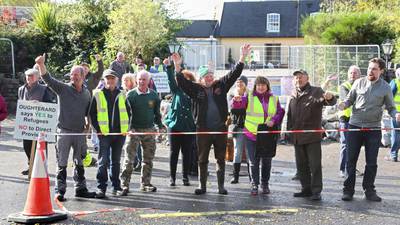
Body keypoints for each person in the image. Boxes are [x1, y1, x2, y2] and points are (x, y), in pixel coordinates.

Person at [176, 44, 251, 195]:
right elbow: (182, 82)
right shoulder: (195, 89)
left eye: (210, 75)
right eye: (206, 76)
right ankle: (202, 186)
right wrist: (177, 65)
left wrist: (242, 57)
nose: (209, 78)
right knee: (202, 159)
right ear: (201, 78)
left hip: (220, 129)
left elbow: (234, 73)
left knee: (220, 159)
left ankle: (220, 187)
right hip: (202, 130)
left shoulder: (221, 85)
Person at [35, 54, 96, 201]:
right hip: (64, 132)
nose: (73, 77)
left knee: (79, 162)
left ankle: (80, 189)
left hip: (79, 133)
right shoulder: (63, 89)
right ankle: (60, 191)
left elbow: (88, 112)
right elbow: (48, 79)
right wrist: (41, 65)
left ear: (83, 76)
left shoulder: (87, 93)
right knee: (61, 162)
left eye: (76, 75)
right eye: (72, 74)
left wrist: (88, 127)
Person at [338, 58, 400, 202]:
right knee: (350, 160)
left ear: (381, 71)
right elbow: (349, 99)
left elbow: (391, 107)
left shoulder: (385, 87)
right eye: (369, 68)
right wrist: (343, 105)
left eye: (374, 69)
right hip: (354, 126)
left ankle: (369, 190)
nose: (370, 71)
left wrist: (395, 114)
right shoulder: (358, 82)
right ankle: (348, 191)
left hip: (373, 128)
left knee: (371, 162)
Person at [287, 69, 336, 201]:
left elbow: (330, 101)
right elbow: (290, 115)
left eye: (301, 77)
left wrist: (330, 97)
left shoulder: (316, 91)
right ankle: (306, 189)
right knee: (301, 165)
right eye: (296, 78)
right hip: (297, 135)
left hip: (312, 136)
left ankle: (316, 191)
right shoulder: (293, 93)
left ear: (307, 78)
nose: (298, 79)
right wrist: (288, 132)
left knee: (314, 165)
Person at [237, 76, 284, 195]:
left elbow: (280, 112)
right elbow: (238, 106)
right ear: (255, 86)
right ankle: (254, 185)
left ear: (267, 86)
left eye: (263, 85)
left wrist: (274, 120)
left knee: (267, 161)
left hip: (267, 135)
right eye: (258, 85)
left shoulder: (274, 98)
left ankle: (265, 184)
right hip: (251, 134)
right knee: (253, 161)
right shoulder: (249, 97)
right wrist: (236, 100)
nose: (261, 87)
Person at [119, 70, 164, 195]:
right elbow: (125, 114)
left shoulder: (154, 95)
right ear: (136, 80)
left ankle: (145, 184)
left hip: (149, 130)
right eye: (139, 79)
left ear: (149, 81)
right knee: (129, 160)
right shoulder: (131, 95)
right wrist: (129, 128)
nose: (142, 82)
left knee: (148, 159)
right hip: (134, 130)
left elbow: (157, 114)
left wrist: (159, 127)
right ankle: (124, 185)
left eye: (144, 79)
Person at [89, 69, 129, 198]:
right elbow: (92, 114)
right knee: (103, 161)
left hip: (119, 134)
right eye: (108, 78)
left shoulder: (122, 94)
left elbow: (129, 113)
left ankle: (116, 187)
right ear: (104, 80)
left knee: (116, 162)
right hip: (104, 135)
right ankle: (101, 188)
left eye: (112, 78)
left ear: (116, 80)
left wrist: (126, 128)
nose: (110, 81)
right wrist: (98, 130)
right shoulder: (98, 94)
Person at [163, 55, 196, 187]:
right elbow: (171, 79)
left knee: (187, 153)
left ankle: (185, 176)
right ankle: (172, 177)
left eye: (186, 79)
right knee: (173, 152)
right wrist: (169, 67)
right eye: (182, 79)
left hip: (188, 127)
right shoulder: (177, 90)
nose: (183, 81)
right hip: (174, 125)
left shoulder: (194, 91)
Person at [18, 68, 54, 175]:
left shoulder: (44, 89)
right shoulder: (21, 89)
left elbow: (50, 105)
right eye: (28, 76)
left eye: (31, 76)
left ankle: (42, 168)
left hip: (41, 123)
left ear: (37, 77)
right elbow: (20, 104)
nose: (29, 78)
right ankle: (31, 166)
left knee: (41, 146)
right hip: (27, 123)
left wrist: (39, 105)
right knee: (26, 146)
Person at [338, 66, 361, 177]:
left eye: (355, 73)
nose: (353, 75)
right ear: (348, 75)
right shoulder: (344, 86)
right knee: (345, 145)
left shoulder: (362, 85)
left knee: (354, 146)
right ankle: (342, 169)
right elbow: (347, 99)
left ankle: (351, 168)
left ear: (359, 75)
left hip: (357, 120)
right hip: (346, 119)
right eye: (351, 73)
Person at [228, 75, 249, 184]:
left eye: (242, 82)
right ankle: (235, 177)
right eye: (237, 82)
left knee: (250, 153)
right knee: (237, 152)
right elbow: (231, 110)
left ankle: (252, 178)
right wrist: (238, 102)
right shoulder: (231, 94)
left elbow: (249, 109)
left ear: (246, 84)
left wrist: (242, 101)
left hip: (250, 127)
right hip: (237, 127)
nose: (239, 84)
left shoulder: (250, 94)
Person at [387, 68, 400, 162]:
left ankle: (393, 154)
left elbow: (388, 96)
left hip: (396, 113)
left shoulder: (395, 82)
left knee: (395, 133)